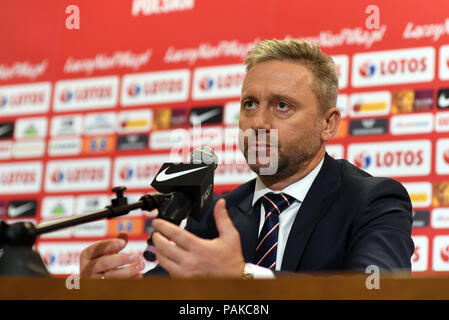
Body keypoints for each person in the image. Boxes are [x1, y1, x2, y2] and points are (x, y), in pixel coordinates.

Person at [79, 39, 414, 279]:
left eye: (282, 106)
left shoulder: (373, 200)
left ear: (328, 124)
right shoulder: (215, 212)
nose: (258, 123)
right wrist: (116, 289)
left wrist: (241, 276)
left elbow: (374, 292)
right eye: (250, 104)